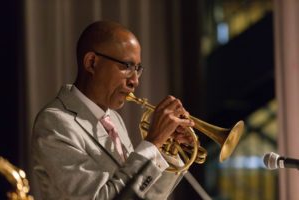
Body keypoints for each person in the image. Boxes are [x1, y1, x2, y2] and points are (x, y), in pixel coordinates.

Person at [31, 20, 194, 200]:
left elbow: (141, 196)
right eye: (126, 66)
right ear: (92, 62)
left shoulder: (114, 120)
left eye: (137, 69)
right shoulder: (54, 123)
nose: (135, 81)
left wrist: (166, 150)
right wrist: (153, 142)